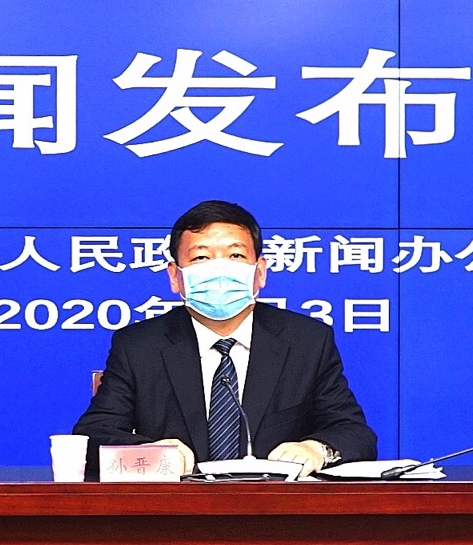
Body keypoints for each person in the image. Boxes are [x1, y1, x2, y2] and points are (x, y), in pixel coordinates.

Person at [73, 200, 377, 478]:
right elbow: (93, 436)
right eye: (201, 257)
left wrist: (316, 449)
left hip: (277, 509)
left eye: (236, 255)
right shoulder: (140, 346)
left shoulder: (306, 341)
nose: (219, 270)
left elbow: (355, 434)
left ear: (260, 272)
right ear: (175, 277)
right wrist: (152, 453)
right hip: (174, 511)